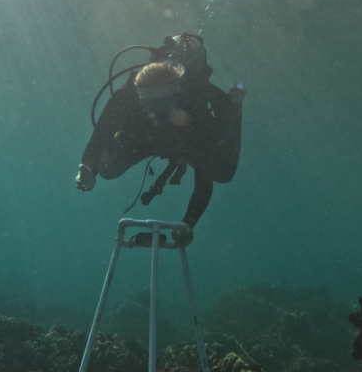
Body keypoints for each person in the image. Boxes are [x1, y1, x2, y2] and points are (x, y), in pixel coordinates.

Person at [75, 33, 245, 246]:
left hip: (182, 139)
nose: (155, 116)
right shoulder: (127, 97)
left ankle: (236, 102)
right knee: (107, 169)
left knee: (224, 171)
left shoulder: (192, 114)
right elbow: (98, 138)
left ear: (177, 96)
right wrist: (88, 167)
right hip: (145, 140)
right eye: (149, 106)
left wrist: (188, 223)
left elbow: (205, 180)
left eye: (162, 106)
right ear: (139, 97)